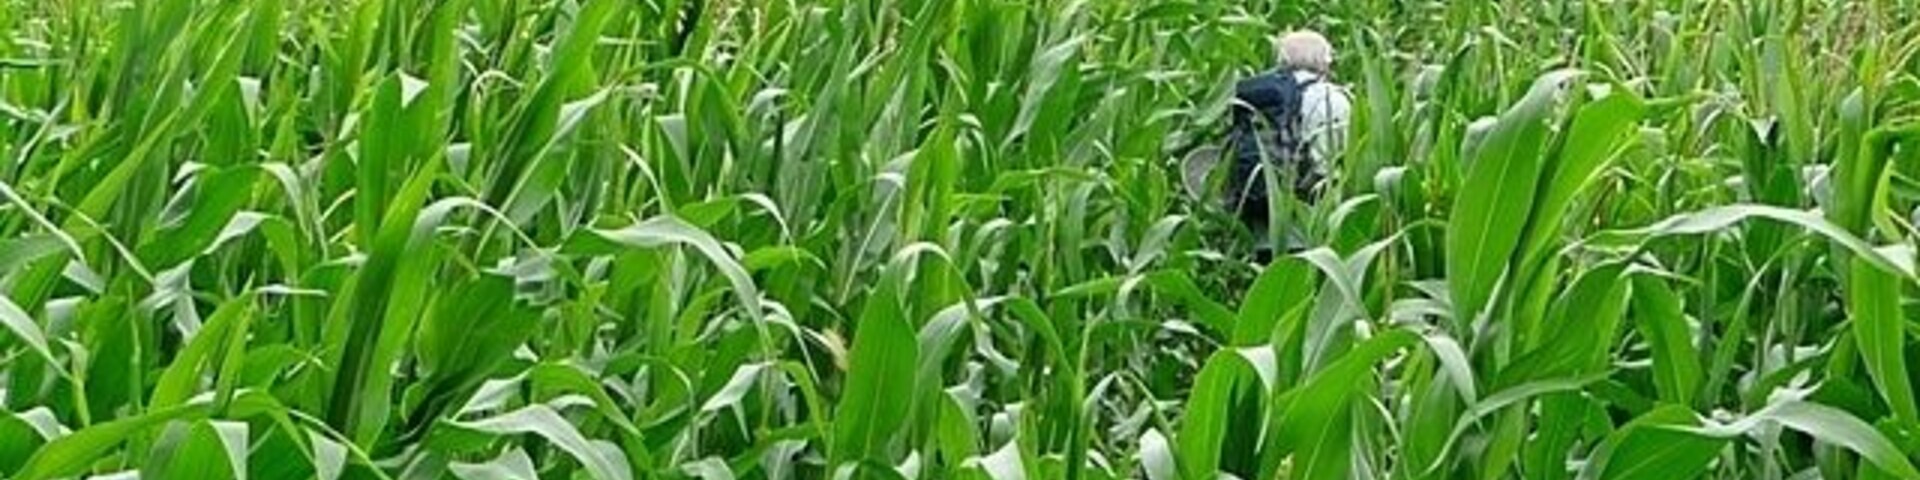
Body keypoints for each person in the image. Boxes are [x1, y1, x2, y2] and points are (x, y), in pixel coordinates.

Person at [1193, 30, 1352, 257]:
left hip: (1256, 226)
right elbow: (1328, 169)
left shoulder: (1255, 94)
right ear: (1324, 61)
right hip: (1307, 231)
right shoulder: (1332, 99)